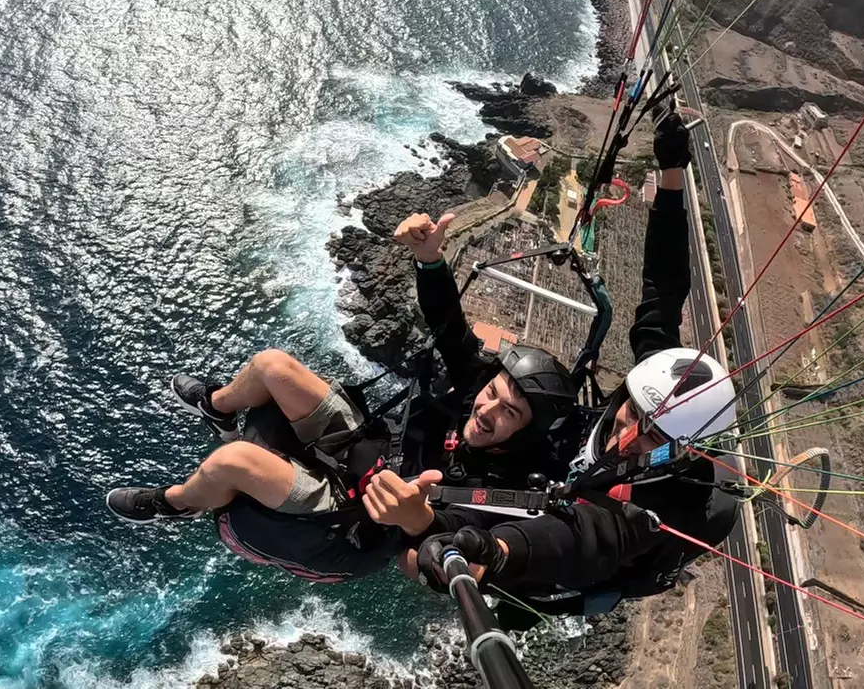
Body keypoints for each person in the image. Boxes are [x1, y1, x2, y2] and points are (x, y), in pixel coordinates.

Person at [105, 209, 584, 582]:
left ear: (524, 433)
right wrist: (429, 259)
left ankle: (174, 504)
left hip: (348, 509)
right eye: (494, 393)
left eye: (509, 413)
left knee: (232, 463)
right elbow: (449, 327)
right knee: (272, 366)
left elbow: (447, 547)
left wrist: (416, 518)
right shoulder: (475, 387)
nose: (487, 410)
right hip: (361, 443)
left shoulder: (499, 488)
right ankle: (217, 410)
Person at [405, 111, 741, 620]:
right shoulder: (651, 386)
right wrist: (672, 174)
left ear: (682, 450)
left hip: (572, 556)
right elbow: (664, 285)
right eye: (633, 411)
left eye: (653, 436)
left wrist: (499, 553)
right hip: (557, 484)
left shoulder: (666, 504)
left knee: (419, 560)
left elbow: (585, 537)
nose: (628, 434)